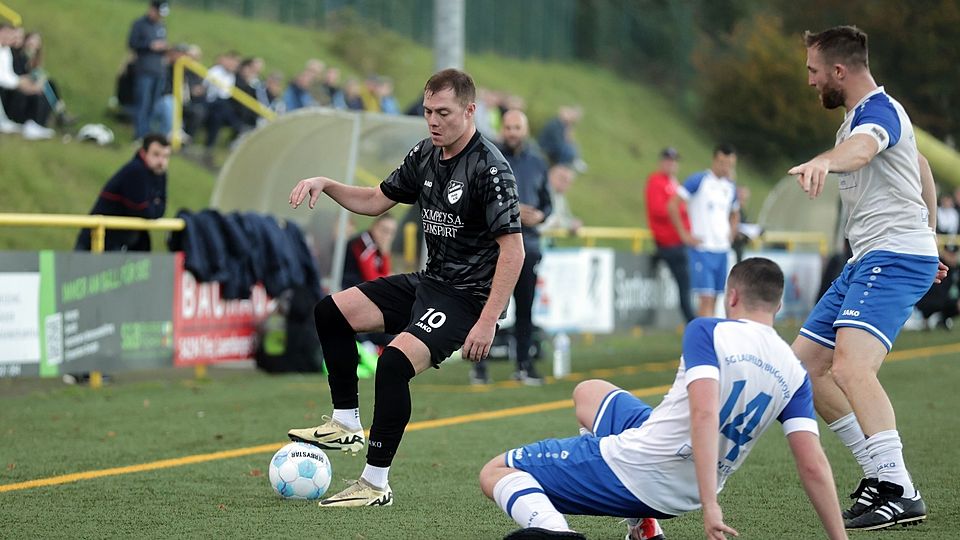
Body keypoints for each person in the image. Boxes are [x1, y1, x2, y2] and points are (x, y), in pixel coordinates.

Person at [286, 68, 524, 507]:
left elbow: (513, 251)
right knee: (330, 312)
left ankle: (375, 484)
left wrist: (488, 320)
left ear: (470, 111)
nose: (433, 121)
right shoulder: (425, 154)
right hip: (429, 282)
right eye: (427, 111)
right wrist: (327, 183)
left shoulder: (491, 169)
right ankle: (344, 422)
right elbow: (376, 200)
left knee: (393, 364)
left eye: (444, 113)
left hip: (467, 298)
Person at [478, 258, 847, 540]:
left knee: (496, 472)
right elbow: (813, 464)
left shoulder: (709, 330)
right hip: (686, 489)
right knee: (589, 393)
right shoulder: (795, 372)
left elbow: (703, 413)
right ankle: (644, 526)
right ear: (777, 307)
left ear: (731, 296)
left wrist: (712, 506)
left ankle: (557, 533)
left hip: (642, 470)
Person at [787, 26, 947, 530]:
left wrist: (823, 161)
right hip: (873, 258)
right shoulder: (863, 118)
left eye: (814, 71)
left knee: (853, 369)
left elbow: (860, 151)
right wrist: (931, 233)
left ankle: (898, 489)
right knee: (805, 370)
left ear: (839, 71)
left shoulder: (876, 112)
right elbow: (919, 163)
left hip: (892, 257)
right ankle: (884, 476)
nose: (810, 81)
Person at [471, 109, 552, 385]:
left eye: (517, 127)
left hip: (528, 246)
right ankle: (479, 367)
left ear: (525, 130)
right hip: (494, 247)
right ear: (501, 129)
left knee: (526, 308)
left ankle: (524, 366)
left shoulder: (538, 163)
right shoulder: (488, 157)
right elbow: (477, 198)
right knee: (487, 307)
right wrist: (513, 210)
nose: (512, 132)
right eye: (508, 127)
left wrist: (540, 215)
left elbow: (547, 203)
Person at [670, 144, 739, 318]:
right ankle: (704, 343)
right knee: (706, 299)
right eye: (723, 163)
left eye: (730, 165)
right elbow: (672, 205)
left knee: (716, 299)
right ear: (715, 160)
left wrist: (731, 232)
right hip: (702, 249)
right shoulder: (699, 180)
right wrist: (684, 234)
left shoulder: (730, 186)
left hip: (722, 249)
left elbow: (735, 213)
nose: (726, 168)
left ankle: (712, 340)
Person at [75, 134, 171, 252]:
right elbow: (142, 210)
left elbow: (161, 208)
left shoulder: (160, 173)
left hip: (122, 243)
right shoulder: (136, 170)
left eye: (166, 156)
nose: (161, 162)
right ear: (143, 153)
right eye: (156, 154)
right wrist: (154, 204)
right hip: (99, 242)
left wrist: (154, 206)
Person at [645, 147, 696, 323]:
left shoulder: (675, 184)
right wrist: (679, 209)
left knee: (689, 286)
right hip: (669, 242)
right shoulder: (657, 181)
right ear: (662, 162)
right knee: (685, 287)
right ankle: (693, 323)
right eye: (668, 160)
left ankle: (694, 322)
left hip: (680, 241)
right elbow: (659, 210)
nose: (671, 164)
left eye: (674, 160)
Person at [128, 0, 169, 140]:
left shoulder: (161, 26)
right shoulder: (139, 24)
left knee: (153, 105)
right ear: (152, 9)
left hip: (158, 71)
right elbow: (132, 43)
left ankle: (148, 134)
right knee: (142, 103)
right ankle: (139, 134)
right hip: (144, 70)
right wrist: (150, 45)